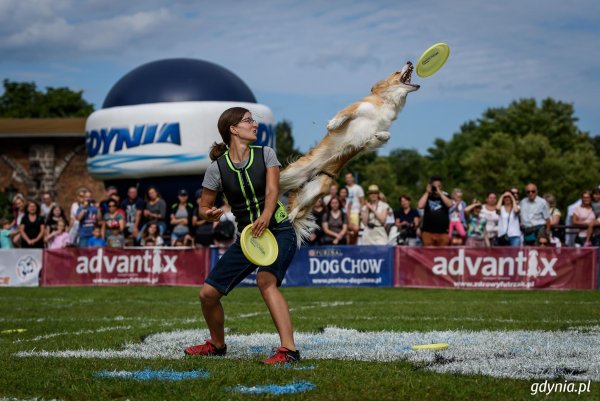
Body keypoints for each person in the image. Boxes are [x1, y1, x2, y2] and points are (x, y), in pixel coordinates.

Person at [184, 107, 299, 365]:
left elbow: (273, 191)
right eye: (249, 121)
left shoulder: (266, 154)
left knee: (266, 280)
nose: (255, 125)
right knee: (207, 294)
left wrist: (267, 215)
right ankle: (216, 345)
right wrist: (208, 214)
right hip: (249, 238)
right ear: (233, 129)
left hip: (279, 230)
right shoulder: (216, 169)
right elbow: (203, 206)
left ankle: (289, 350)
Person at [417, 176, 452, 246]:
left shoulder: (445, 195)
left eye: (438, 186)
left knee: (442, 254)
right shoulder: (427, 196)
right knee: (428, 253)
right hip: (428, 232)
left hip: (443, 232)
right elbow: (420, 205)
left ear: (441, 187)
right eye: (434, 186)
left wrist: (440, 193)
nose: (436, 188)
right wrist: (427, 192)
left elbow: (449, 204)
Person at [344, 172, 364, 245]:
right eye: (346, 178)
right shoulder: (344, 188)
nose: (348, 179)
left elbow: (362, 201)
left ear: (353, 178)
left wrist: (361, 212)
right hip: (345, 212)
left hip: (356, 212)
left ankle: (353, 246)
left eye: (349, 177)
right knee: (347, 231)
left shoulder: (358, 188)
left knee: (355, 230)